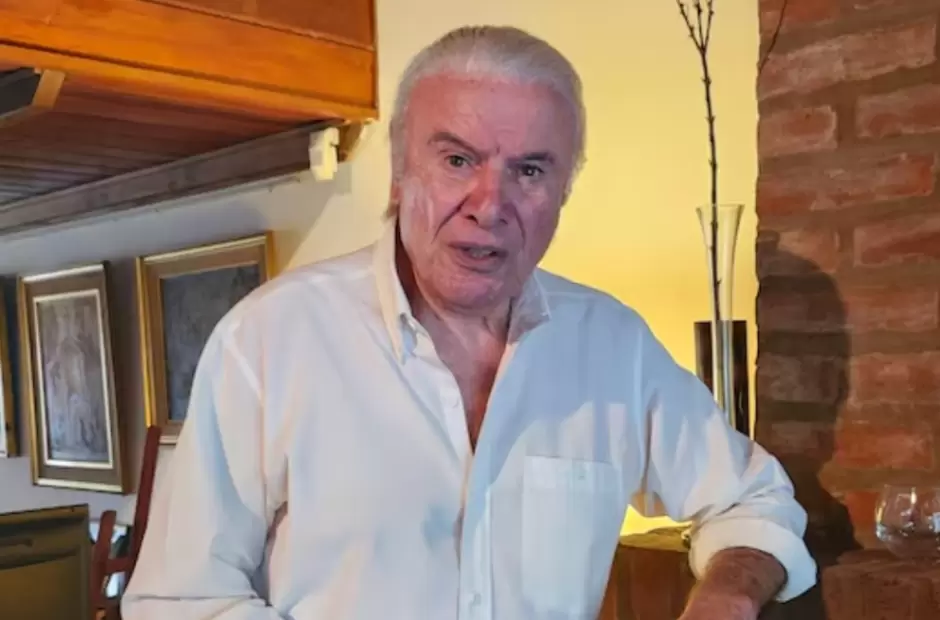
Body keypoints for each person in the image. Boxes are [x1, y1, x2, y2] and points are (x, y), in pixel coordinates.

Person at [122, 24, 816, 620]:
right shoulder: (269, 341)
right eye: (457, 160)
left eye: (530, 171)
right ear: (400, 174)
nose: (489, 204)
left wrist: (728, 593)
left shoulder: (612, 345)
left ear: (564, 190)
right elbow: (179, 601)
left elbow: (755, 500)